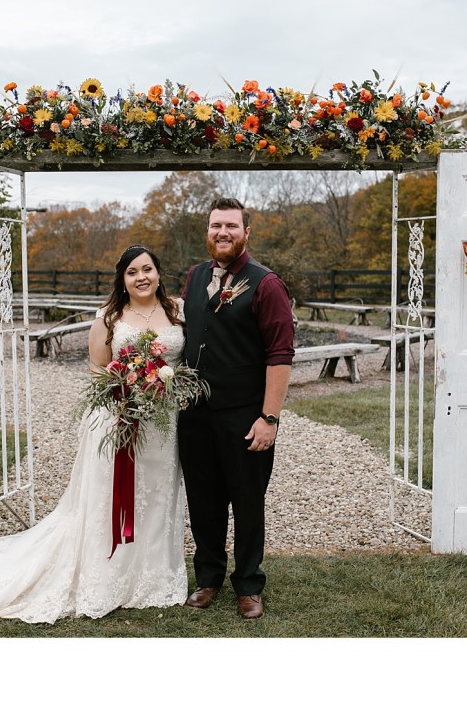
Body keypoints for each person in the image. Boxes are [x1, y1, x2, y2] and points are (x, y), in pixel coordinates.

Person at [0, 245, 188, 624]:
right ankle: (109, 576)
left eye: (147, 269)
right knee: (109, 501)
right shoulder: (111, 317)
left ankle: (152, 576)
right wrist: (124, 398)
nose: (141, 277)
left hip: (164, 425)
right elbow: (98, 368)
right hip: (119, 420)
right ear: (123, 279)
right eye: (132, 272)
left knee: (158, 497)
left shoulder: (178, 311)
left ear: (159, 273)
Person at [178, 197, 295, 620]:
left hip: (245, 416)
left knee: (247, 503)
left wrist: (270, 418)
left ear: (246, 232)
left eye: (231, 225)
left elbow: (280, 355)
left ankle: (249, 584)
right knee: (203, 502)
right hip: (194, 416)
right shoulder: (193, 277)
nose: (222, 232)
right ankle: (207, 577)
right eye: (215, 226)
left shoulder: (266, 284)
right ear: (207, 232)